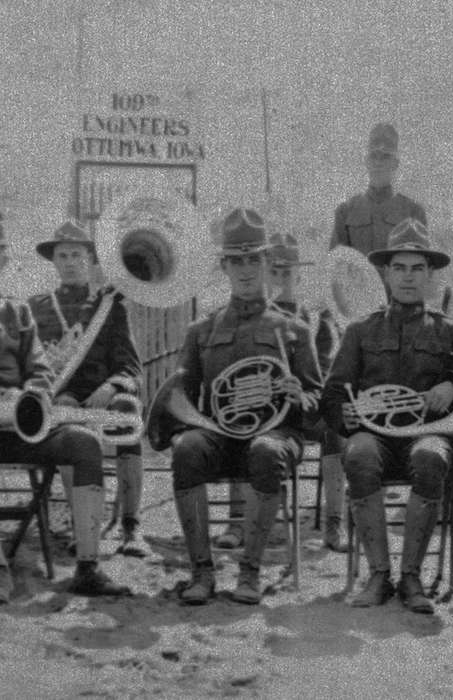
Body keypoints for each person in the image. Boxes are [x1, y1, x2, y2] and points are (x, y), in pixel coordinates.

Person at [0, 204, 131, 603]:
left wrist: (30, 395)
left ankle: (87, 567)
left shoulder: (17, 311)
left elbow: (42, 371)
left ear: (3, 260)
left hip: (20, 429)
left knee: (84, 442)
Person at [165, 209, 324, 606]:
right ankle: (202, 572)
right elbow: (183, 395)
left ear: (267, 262)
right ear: (224, 266)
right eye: (237, 260)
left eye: (254, 259)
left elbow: (319, 404)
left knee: (266, 450)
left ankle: (249, 572)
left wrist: (297, 395)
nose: (246, 269)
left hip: (276, 435)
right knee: (186, 449)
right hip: (221, 434)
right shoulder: (201, 331)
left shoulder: (294, 330)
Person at [324, 219, 453, 613]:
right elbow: (335, 389)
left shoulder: (451, 331)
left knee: (431, 456)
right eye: (400, 268)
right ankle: (378, 574)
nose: (408, 278)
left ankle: (411, 577)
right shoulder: (360, 330)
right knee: (357, 454)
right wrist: (346, 412)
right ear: (386, 273)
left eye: (417, 269)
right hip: (373, 437)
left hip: (425, 434)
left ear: (429, 275)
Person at [27, 219, 146, 555]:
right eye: (62, 255)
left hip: (105, 395)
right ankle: (83, 523)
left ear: (92, 261)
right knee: (64, 411)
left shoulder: (109, 306)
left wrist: (111, 387)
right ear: (54, 261)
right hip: (63, 396)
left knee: (128, 410)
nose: (69, 262)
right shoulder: (37, 307)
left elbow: (131, 368)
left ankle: (131, 526)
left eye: (76, 255)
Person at [268, 232, 350, 552]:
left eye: (286, 273)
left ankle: (334, 522)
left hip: (307, 410)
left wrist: (301, 392)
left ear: (298, 275)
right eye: (273, 272)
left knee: (335, 426)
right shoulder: (254, 317)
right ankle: (239, 519)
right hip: (267, 410)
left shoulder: (317, 318)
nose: (280, 279)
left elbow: (326, 375)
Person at [327, 122, 426, 255]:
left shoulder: (413, 212)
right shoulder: (346, 212)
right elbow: (336, 264)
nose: (378, 163)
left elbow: (420, 265)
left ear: (395, 163)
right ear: (366, 161)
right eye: (374, 156)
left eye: (385, 157)